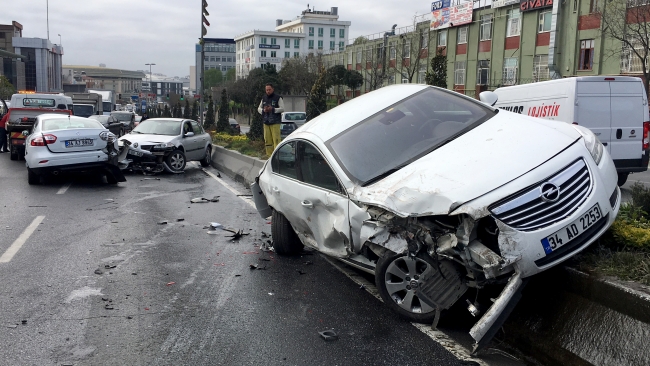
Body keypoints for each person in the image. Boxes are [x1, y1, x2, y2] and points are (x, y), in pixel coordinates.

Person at [258, 83, 284, 155]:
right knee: (267, 140)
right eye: (267, 90)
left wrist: (273, 109)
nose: (268, 91)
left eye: (269, 90)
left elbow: (282, 109)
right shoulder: (264, 98)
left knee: (276, 140)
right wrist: (263, 110)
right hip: (266, 122)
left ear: (273, 89)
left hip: (275, 122)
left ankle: (277, 156)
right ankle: (269, 155)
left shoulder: (278, 98)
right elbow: (259, 108)